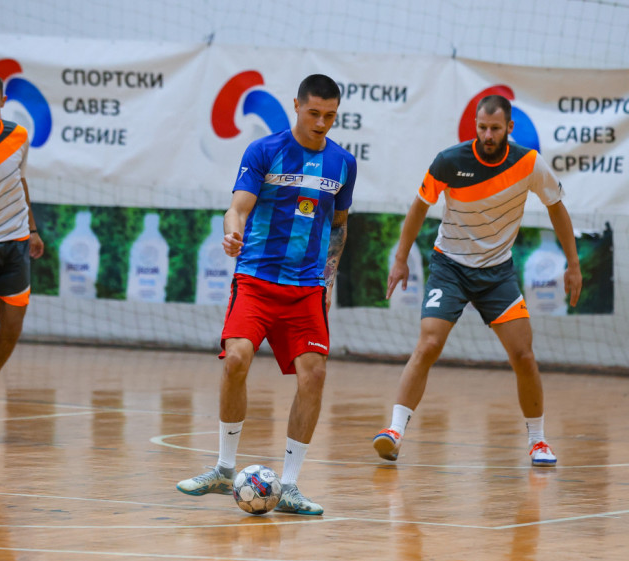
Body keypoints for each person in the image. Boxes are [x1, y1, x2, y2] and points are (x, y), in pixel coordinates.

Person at [176, 74, 357, 516]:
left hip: (307, 289)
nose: (321, 123)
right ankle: (223, 468)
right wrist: (232, 233)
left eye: (330, 115)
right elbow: (237, 208)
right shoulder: (263, 151)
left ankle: (290, 487)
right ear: (296, 105)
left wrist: (328, 278)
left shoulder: (343, 164)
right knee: (236, 358)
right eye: (313, 113)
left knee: (313, 375)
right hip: (256, 279)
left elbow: (339, 225)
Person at [372, 94, 582, 466]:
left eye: (495, 128)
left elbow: (556, 208)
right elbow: (420, 206)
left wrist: (573, 264)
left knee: (524, 354)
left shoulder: (529, 163)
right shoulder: (449, 161)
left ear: (509, 128)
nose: (488, 135)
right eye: (482, 128)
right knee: (429, 343)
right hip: (449, 267)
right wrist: (401, 259)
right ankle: (394, 431)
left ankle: (538, 441)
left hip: (497, 273)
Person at [0, 73, 44, 435]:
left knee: (11, 329)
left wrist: (31, 229)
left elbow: (20, 180)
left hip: (15, 246)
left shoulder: (18, 136)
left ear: (2, 102)